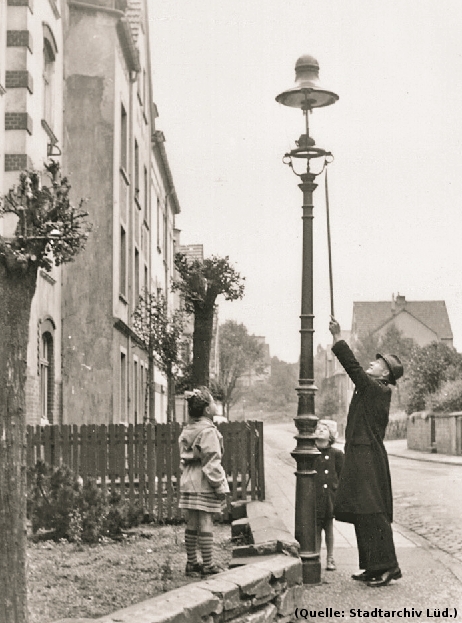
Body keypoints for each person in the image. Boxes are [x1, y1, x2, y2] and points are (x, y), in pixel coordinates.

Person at [329, 317, 403, 587]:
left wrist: (338, 338)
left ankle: (388, 567)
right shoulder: (371, 389)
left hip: (368, 458)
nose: (371, 364)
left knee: (373, 511)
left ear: (385, 375)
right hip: (361, 455)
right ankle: (373, 566)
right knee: (363, 511)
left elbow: (353, 368)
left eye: (377, 364)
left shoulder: (377, 390)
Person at [178, 386, 230, 577]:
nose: (215, 405)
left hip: (188, 481)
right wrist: (219, 486)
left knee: (191, 522)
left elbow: (183, 457)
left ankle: (192, 563)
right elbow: (212, 463)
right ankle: (208, 564)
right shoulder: (209, 432)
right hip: (204, 483)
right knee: (206, 520)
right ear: (208, 410)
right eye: (213, 402)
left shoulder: (188, 430)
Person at [314, 419, 344, 571]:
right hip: (315, 497)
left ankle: (330, 557)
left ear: (331, 435)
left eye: (324, 429)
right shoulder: (311, 452)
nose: (319, 430)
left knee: (329, 527)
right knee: (316, 527)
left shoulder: (336, 454)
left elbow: (341, 475)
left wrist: (338, 493)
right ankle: (316, 556)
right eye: (317, 428)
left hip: (329, 497)